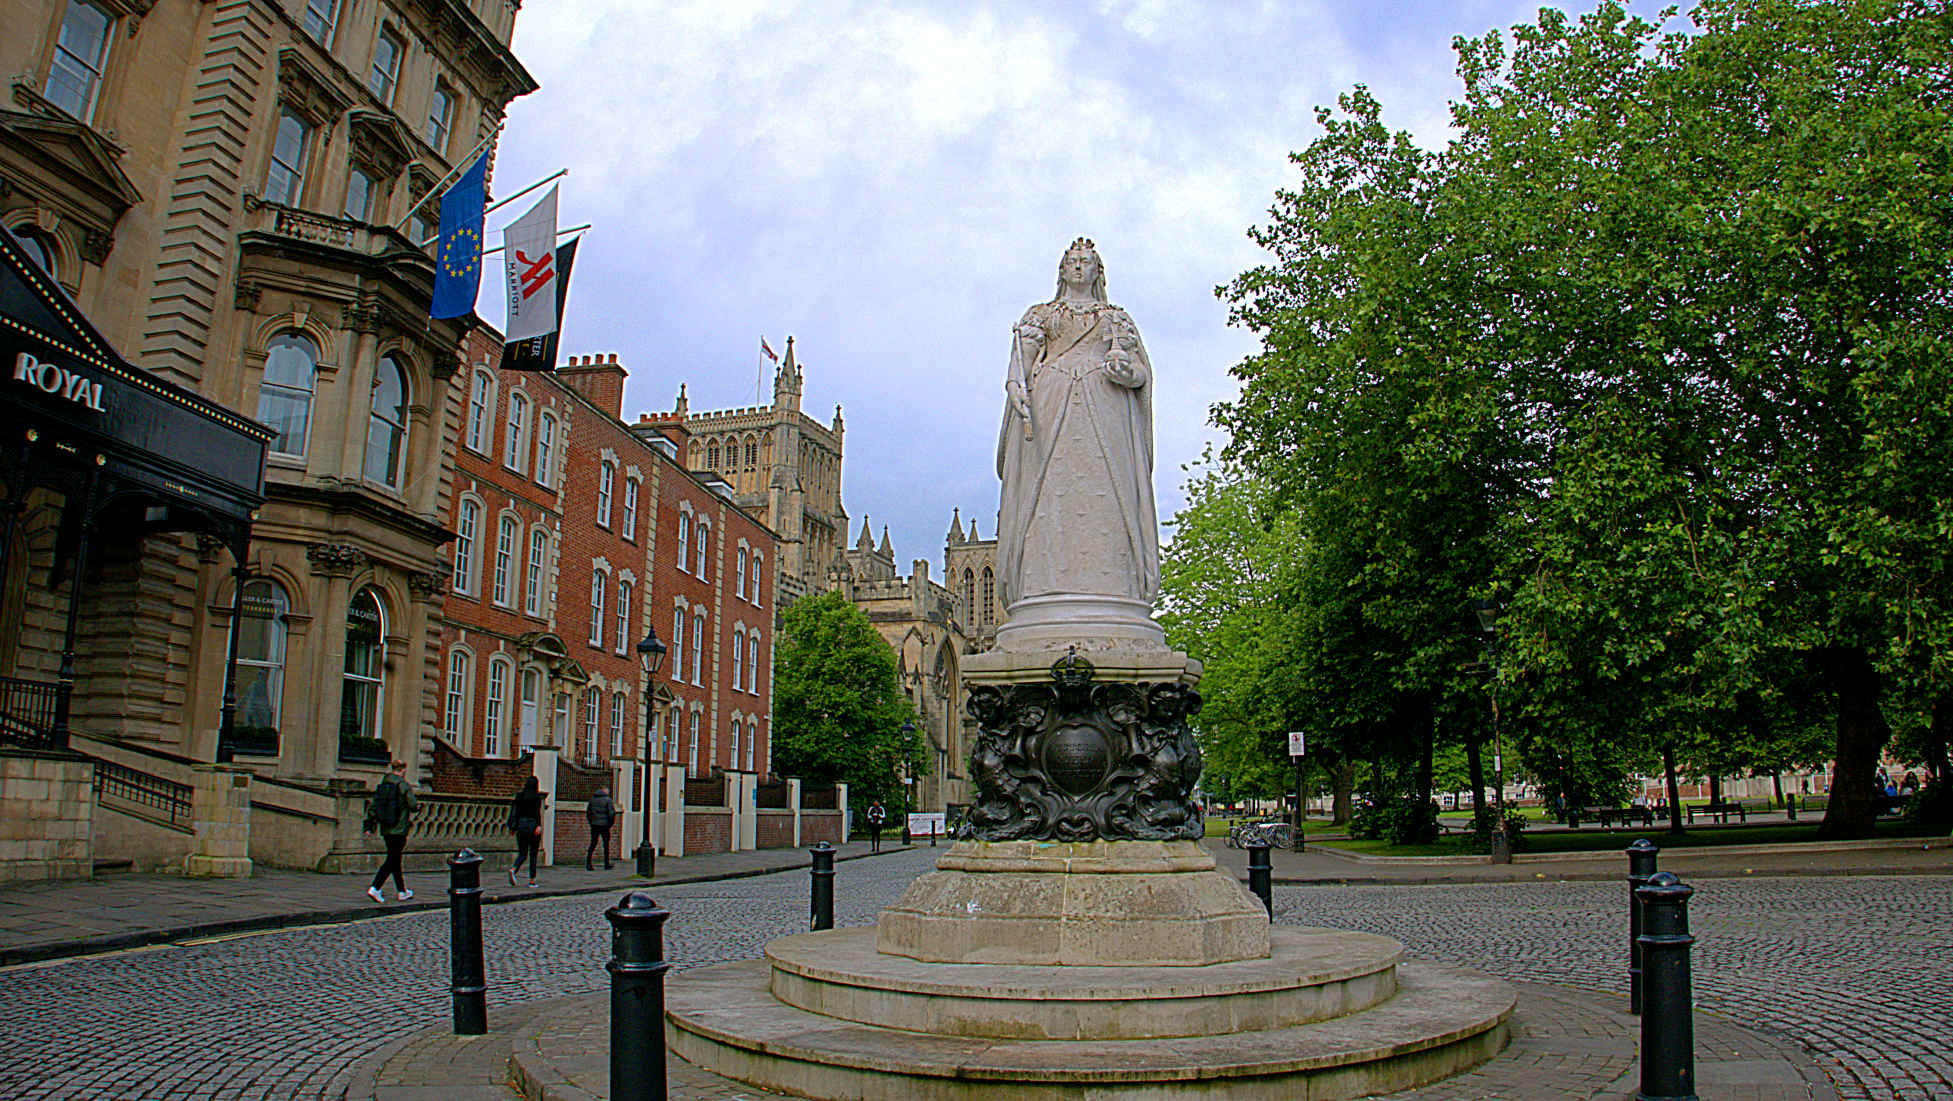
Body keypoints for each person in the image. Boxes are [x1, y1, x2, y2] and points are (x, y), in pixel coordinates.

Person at [994, 238, 1161, 645]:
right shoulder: (1041, 314)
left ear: (1098, 271)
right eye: (1073, 261)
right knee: (1049, 496)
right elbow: (1021, 364)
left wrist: (1126, 372)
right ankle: (1043, 583)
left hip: (1105, 411)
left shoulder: (1116, 319)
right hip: (1050, 410)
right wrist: (1017, 386)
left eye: (1087, 261)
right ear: (1062, 269)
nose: (1079, 267)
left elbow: (1140, 372)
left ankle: (1111, 583)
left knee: (1107, 492)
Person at [362, 758, 417, 903]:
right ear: (403, 770)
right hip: (399, 828)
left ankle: (402, 891)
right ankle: (375, 887)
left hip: (386, 828)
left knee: (395, 859)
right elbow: (413, 805)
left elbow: (374, 807)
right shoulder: (403, 785)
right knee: (392, 860)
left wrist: (369, 825)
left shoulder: (383, 785)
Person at [507, 775, 547, 887]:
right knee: (533, 854)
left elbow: (515, 812)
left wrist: (513, 827)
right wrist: (538, 825)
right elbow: (537, 813)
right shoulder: (536, 798)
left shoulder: (519, 796)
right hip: (532, 826)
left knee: (522, 853)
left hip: (521, 827)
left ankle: (514, 869)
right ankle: (532, 880)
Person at [586, 786, 616, 871]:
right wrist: (610, 824)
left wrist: (591, 822)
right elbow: (611, 813)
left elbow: (588, 812)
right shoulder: (608, 800)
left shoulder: (592, 800)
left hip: (595, 824)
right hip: (605, 825)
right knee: (606, 845)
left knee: (593, 843)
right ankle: (606, 864)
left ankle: (588, 863)